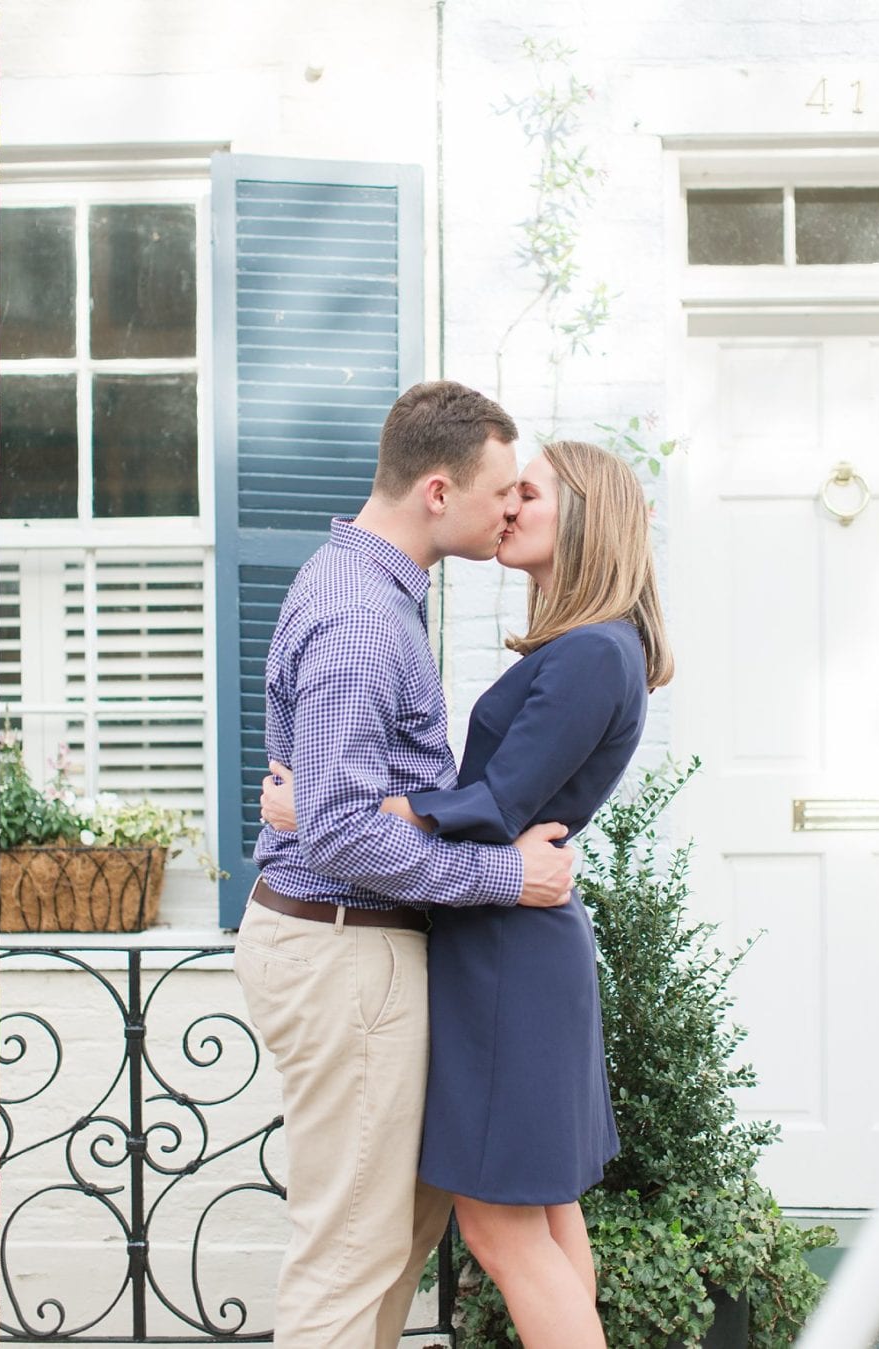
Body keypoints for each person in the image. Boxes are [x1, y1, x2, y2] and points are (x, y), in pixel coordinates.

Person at [232, 380, 578, 1348]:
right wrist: (507, 876)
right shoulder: (362, 617)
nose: (513, 508)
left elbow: (337, 805)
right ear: (438, 490)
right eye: (502, 489)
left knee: (388, 1242)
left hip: (364, 949)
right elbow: (341, 832)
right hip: (346, 950)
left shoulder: (372, 590)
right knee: (351, 1254)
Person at [332, 441, 668, 1346]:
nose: (509, 507)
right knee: (549, 1216)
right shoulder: (597, 647)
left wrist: (342, 807)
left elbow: (496, 803)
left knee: (497, 1221)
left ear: (588, 516)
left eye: (531, 493)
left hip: (508, 954)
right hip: (518, 942)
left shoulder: (595, 653)